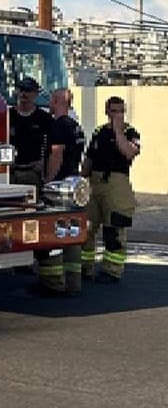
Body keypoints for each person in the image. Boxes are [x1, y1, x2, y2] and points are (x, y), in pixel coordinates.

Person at [81, 95, 141, 283]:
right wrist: (81, 177)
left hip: (117, 182)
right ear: (106, 112)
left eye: (121, 111)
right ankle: (85, 267)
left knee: (114, 227)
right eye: (113, 111)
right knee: (87, 227)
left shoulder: (130, 132)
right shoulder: (99, 132)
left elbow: (130, 152)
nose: (117, 115)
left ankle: (112, 270)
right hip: (95, 182)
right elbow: (89, 159)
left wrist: (118, 131)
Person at [35, 88, 86, 296]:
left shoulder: (58, 125)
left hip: (59, 185)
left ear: (57, 101)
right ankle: (74, 281)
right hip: (73, 183)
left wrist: (47, 181)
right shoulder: (76, 126)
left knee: (54, 231)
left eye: (51, 101)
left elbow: (56, 155)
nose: (49, 105)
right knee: (72, 232)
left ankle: (53, 281)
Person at [8, 77, 52, 188]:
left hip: (33, 171)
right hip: (10, 170)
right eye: (21, 90)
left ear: (36, 94)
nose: (24, 94)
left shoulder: (44, 118)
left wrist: (43, 164)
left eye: (28, 91)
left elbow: (51, 146)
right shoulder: (7, 116)